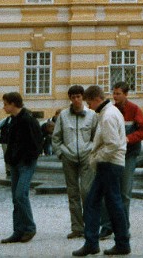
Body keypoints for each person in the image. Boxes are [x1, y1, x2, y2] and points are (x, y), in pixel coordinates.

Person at [73, 85, 130, 257]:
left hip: (109, 164)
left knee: (105, 203)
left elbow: (113, 144)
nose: (88, 107)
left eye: (89, 103)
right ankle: (109, 242)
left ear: (96, 99)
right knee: (101, 202)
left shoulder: (107, 116)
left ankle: (114, 243)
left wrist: (97, 157)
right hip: (112, 163)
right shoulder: (110, 112)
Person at [98, 82, 143, 240]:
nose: (115, 96)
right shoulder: (111, 110)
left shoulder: (134, 109)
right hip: (113, 154)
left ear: (126, 94)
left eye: (118, 93)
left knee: (124, 192)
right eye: (114, 93)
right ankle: (107, 226)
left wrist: (128, 138)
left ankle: (123, 227)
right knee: (108, 190)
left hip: (129, 154)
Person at [52, 85, 97, 240]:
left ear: (82, 97)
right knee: (72, 194)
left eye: (78, 97)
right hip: (68, 157)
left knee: (86, 191)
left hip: (86, 157)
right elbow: (56, 137)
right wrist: (61, 153)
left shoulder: (92, 115)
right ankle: (77, 227)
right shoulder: (63, 115)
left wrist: (91, 151)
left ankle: (90, 226)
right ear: (70, 98)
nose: (76, 100)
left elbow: (96, 137)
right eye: (73, 97)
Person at [0, 91, 43, 244]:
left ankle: (30, 228)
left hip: (25, 163)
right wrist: (10, 159)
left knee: (20, 195)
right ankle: (18, 230)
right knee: (15, 198)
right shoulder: (12, 120)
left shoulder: (28, 120)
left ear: (13, 104)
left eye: (5, 104)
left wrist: (27, 158)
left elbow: (37, 143)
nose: (4, 107)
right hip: (15, 163)